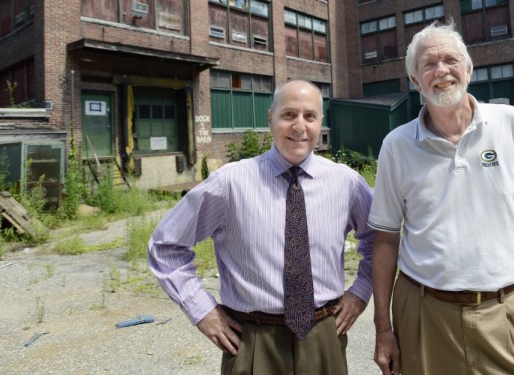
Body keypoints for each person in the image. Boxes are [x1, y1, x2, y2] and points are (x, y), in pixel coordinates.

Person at [369, 21, 514, 375]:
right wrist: (383, 329)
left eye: (450, 60)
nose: (441, 70)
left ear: (469, 70)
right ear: (415, 82)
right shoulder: (396, 146)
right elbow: (385, 240)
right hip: (423, 315)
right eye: (428, 64)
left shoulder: (512, 124)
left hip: (503, 311)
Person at [148, 80, 375, 375]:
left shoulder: (346, 183)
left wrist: (361, 290)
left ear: (321, 122)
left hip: (323, 336)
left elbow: (377, 240)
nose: (299, 126)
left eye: (310, 116)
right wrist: (202, 310)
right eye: (288, 115)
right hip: (254, 340)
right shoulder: (230, 184)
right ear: (271, 118)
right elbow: (166, 246)